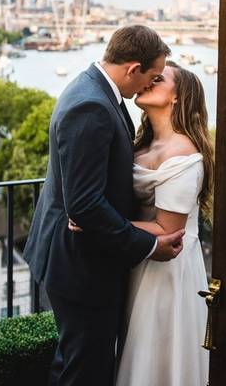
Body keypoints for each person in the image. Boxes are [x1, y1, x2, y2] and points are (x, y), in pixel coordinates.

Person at [24, 25, 185, 386]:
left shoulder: (96, 92)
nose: (149, 85)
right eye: (151, 76)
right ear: (132, 69)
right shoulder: (91, 105)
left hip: (80, 255)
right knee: (85, 371)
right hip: (80, 263)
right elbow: (84, 205)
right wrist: (149, 245)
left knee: (76, 363)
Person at [112, 60, 214, 386]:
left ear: (177, 97)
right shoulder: (142, 143)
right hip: (136, 258)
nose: (148, 81)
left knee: (155, 358)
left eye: (159, 79)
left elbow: (168, 231)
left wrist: (97, 223)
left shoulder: (183, 153)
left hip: (167, 268)